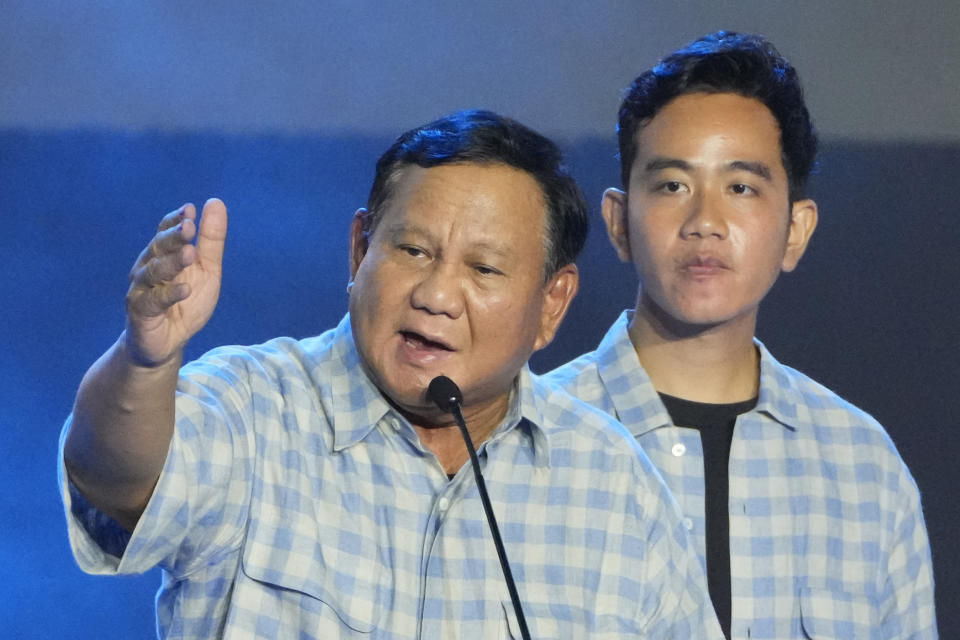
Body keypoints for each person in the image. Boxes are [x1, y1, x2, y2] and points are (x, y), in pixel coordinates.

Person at [59, 109, 722, 638]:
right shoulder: (255, 407)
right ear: (359, 250)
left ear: (552, 304)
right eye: (412, 249)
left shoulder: (614, 486)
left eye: (483, 269)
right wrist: (145, 361)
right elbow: (116, 477)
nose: (437, 293)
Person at [546, 32, 937, 639]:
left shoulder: (864, 469)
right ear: (619, 224)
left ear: (796, 231)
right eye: (672, 185)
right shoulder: (536, 439)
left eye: (742, 188)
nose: (705, 222)